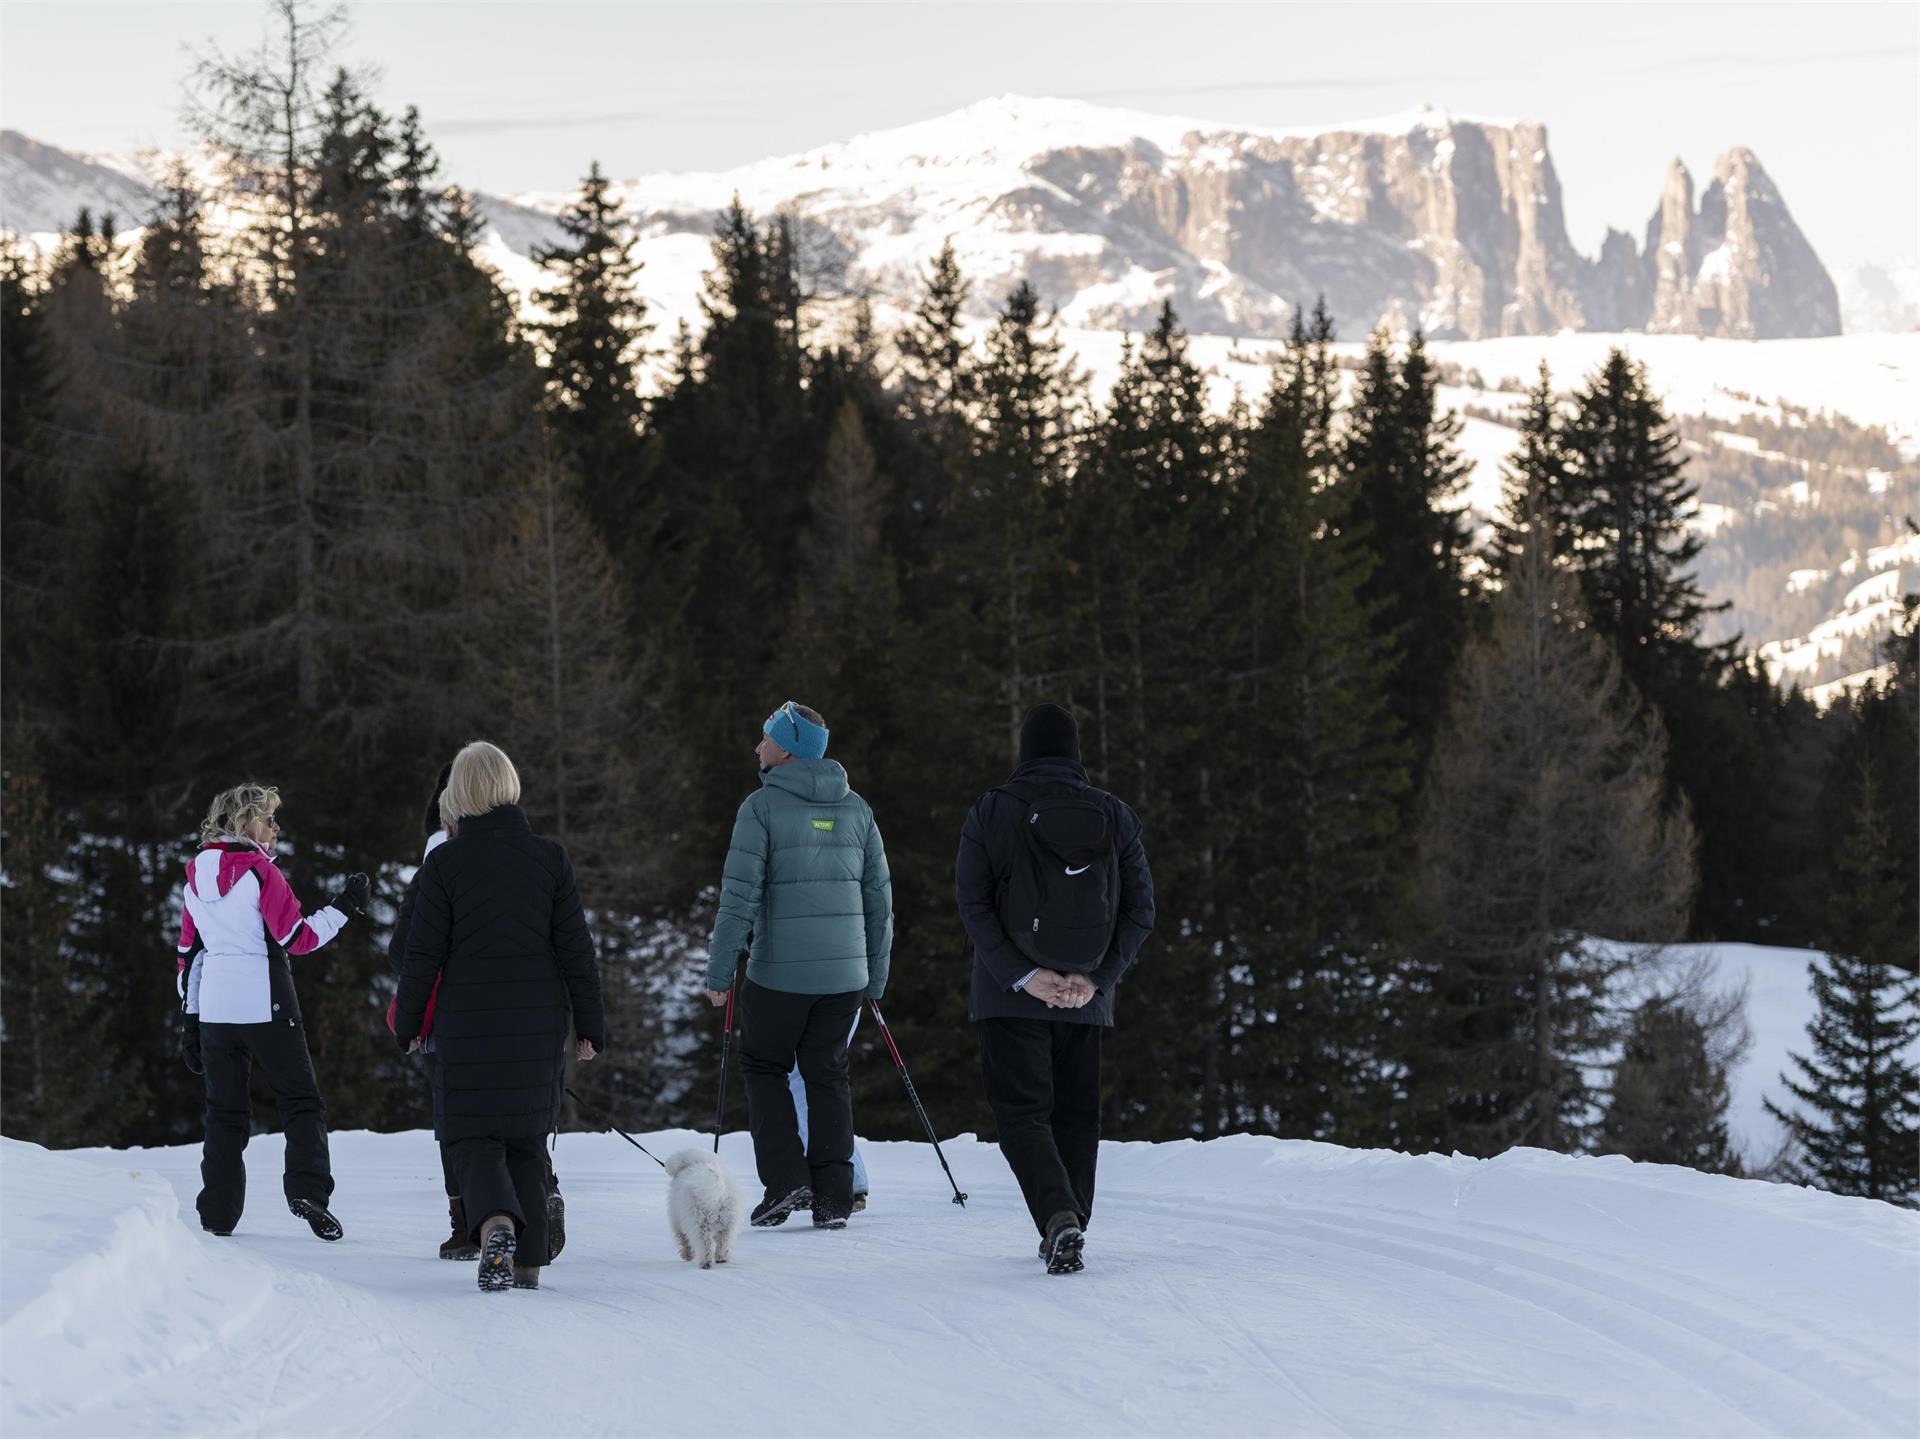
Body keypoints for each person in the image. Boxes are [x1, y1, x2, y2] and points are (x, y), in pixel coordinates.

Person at [393, 741, 604, 1293]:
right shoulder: (550, 858)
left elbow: (422, 955)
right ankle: (528, 1264)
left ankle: (495, 1225)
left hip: (467, 1027)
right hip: (537, 1027)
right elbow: (577, 951)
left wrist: (409, 1022)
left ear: (457, 793)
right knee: (529, 1141)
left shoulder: (444, 863)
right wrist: (589, 1025)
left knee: (472, 1139)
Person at [955, 703, 1154, 1274]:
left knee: (1022, 1114)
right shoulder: (1116, 815)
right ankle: (1071, 1222)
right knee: (1075, 1116)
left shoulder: (992, 811)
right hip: (1085, 997)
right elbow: (1140, 912)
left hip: (1007, 994)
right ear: (1075, 754)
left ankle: (1057, 1215)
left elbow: (973, 903)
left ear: (1025, 752)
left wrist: (1021, 976)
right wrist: (1095, 980)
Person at [704, 701, 892, 1231]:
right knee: (827, 1074)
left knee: (764, 1067)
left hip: (779, 975)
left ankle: (787, 1180)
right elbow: (879, 902)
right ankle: (834, 1195)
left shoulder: (760, 808)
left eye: (765, 737)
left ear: (785, 748)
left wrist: (720, 975)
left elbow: (738, 898)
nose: (757, 746)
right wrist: (874, 977)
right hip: (844, 980)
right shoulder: (857, 810)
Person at [176, 782, 368, 1241]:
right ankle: (308, 1191)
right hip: (267, 1001)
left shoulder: (192, 879)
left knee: (224, 1113)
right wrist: (344, 907)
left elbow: (189, 954)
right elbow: (297, 939)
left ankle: (217, 1214)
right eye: (268, 819)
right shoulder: (261, 872)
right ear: (245, 823)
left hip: (217, 1011)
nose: (276, 828)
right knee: (301, 1101)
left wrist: (191, 1017)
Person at [788, 1005, 871, 1211]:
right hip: (850, 991)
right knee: (821, 1076)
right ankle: (849, 1181)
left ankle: (847, 1182)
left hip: (810, 993)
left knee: (804, 1081)